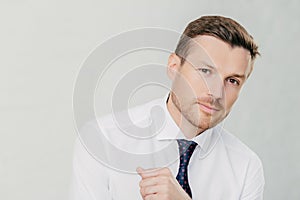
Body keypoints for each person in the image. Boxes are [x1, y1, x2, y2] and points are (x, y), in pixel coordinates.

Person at [70, 15, 265, 200]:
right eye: (205, 71)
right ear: (174, 66)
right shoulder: (103, 140)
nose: (216, 93)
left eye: (232, 80)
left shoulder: (245, 167)